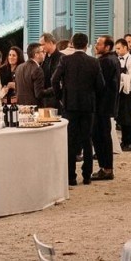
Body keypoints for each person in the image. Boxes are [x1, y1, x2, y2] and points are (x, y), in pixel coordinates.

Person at [51, 33, 101, 187]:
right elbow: (101, 85)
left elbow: (54, 80)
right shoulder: (93, 62)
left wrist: (61, 97)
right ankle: (87, 176)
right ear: (86, 45)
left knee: (71, 140)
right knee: (87, 140)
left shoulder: (65, 60)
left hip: (70, 105)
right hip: (87, 105)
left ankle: (71, 176)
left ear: (72, 44)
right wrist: (93, 96)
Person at [91, 35, 120, 181]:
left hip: (101, 105)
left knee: (101, 137)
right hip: (105, 105)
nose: (96, 46)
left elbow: (100, 84)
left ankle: (106, 168)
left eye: (99, 44)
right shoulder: (112, 59)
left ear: (107, 47)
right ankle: (105, 167)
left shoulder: (105, 61)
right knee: (102, 136)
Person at [114, 38, 131, 151]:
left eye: (119, 48)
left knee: (127, 116)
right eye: (116, 49)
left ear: (125, 47)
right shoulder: (117, 59)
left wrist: (122, 77)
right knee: (121, 116)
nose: (117, 51)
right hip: (120, 89)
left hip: (129, 90)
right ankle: (124, 141)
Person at [14, 42, 46, 107]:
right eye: (42, 51)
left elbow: (17, 89)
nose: (44, 53)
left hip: (20, 107)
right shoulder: (37, 69)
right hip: (34, 108)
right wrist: (53, 89)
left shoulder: (19, 67)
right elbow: (39, 94)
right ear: (36, 54)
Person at [38, 33, 61, 108]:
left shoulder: (62, 58)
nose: (41, 47)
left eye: (43, 44)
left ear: (51, 43)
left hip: (57, 98)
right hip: (45, 98)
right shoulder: (45, 58)